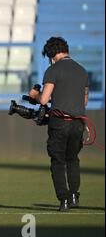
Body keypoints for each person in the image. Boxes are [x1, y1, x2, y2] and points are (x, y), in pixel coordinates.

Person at [28, 37, 89, 212]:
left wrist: (34, 96)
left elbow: (44, 99)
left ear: (52, 54)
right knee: (73, 160)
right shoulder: (82, 71)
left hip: (59, 122)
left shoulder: (52, 70)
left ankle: (63, 200)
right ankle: (74, 196)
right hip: (78, 123)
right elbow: (84, 101)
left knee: (57, 162)